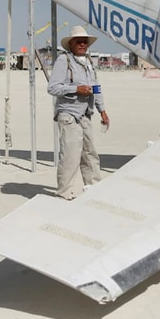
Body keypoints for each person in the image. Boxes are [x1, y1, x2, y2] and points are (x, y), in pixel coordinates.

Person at [47, 25, 110, 200]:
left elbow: (96, 88)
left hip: (86, 114)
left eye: (85, 42)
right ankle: (64, 193)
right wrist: (76, 89)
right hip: (69, 114)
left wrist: (102, 110)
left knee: (90, 153)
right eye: (79, 42)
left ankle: (94, 188)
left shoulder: (89, 62)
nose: (83, 44)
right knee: (70, 155)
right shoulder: (64, 61)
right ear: (71, 44)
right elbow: (52, 88)